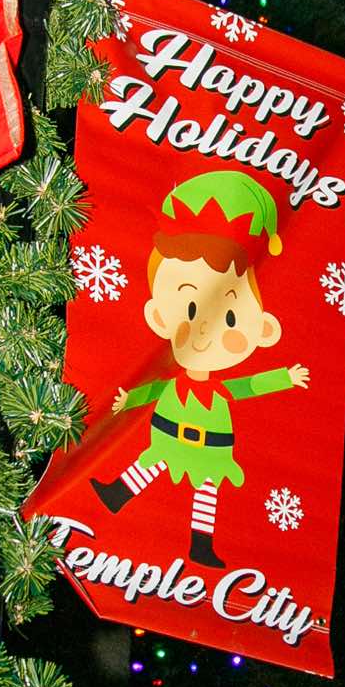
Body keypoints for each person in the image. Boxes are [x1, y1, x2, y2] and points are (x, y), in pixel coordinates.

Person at [90, 171, 308, 567]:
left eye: (228, 317)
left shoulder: (220, 390)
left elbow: (250, 386)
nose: (205, 329)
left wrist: (286, 378)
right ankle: (116, 493)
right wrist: (128, 399)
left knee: (207, 490)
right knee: (152, 461)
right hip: (169, 433)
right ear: (159, 316)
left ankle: (201, 543)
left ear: (263, 329)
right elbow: (152, 391)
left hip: (213, 447)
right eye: (193, 309)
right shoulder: (173, 382)